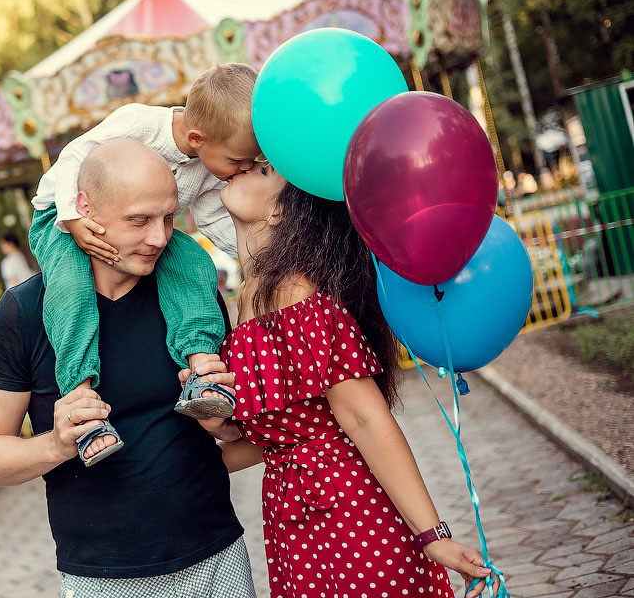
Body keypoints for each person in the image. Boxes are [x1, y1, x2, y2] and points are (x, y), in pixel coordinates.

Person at [0, 139, 255, 597]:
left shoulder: (191, 297)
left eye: (168, 218)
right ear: (83, 209)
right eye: (138, 221)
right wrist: (56, 446)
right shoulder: (24, 312)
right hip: (101, 579)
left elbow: (239, 435)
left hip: (217, 558)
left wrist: (227, 423)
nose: (159, 237)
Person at [197, 162, 500, 598]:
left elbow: (363, 419)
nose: (238, 171)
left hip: (349, 514)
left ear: (282, 211)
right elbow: (281, 438)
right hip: (291, 521)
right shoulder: (246, 296)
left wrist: (434, 537)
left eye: (259, 170)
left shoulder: (297, 293)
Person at [28, 63, 262, 448]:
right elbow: (74, 156)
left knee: (193, 263)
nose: (246, 169)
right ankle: (80, 400)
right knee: (71, 286)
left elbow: (212, 218)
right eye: (239, 161)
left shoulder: (207, 166)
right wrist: (72, 216)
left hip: (146, 231)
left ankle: (202, 369)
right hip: (62, 213)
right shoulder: (140, 123)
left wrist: (258, 258)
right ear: (197, 137)